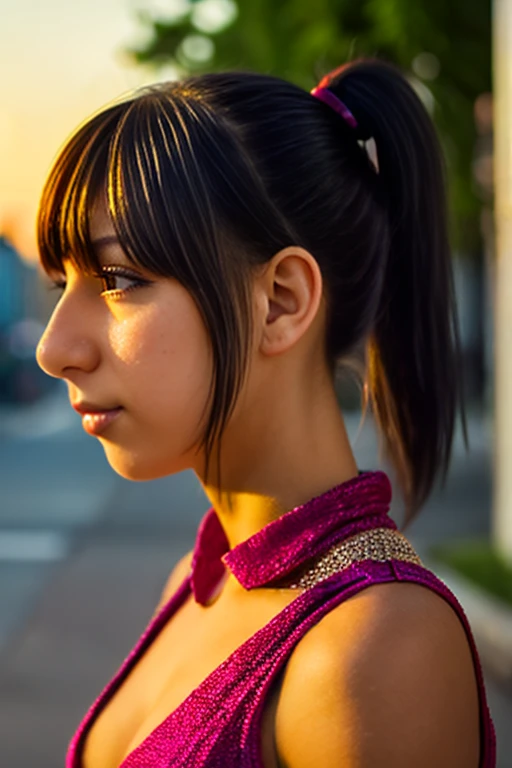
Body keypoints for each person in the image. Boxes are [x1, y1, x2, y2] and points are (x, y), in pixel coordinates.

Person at [35, 58, 496, 768]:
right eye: (61, 281)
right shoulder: (201, 579)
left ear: (280, 300)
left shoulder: (376, 645)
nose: (54, 347)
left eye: (119, 279)